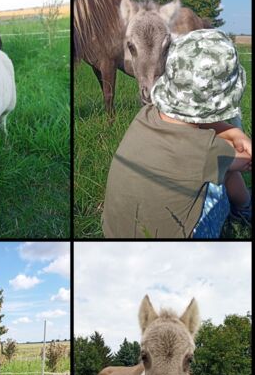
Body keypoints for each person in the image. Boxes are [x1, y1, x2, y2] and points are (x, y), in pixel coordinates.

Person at [102, 29, 251, 239]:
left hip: (114, 231)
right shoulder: (208, 150)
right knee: (226, 172)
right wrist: (239, 141)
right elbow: (244, 161)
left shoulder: (146, 114)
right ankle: (244, 209)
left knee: (217, 166)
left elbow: (195, 121)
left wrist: (232, 131)